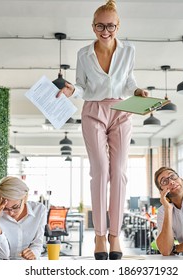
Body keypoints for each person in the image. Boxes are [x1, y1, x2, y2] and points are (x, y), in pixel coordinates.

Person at [56, 0, 148, 260]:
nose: (105, 30)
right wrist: (72, 89)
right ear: (93, 26)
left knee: (118, 172)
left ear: (118, 26)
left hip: (122, 110)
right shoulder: (84, 54)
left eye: (110, 26)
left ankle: (115, 235)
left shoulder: (129, 51)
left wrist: (138, 91)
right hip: (93, 111)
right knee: (100, 170)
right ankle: (99, 236)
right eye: (100, 25)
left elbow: (129, 81)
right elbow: (83, 86)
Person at [0, 176, 47, 260]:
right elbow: (3, 255)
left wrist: (33, 254)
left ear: (25, 198)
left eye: (15, 207)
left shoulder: (39, 210)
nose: (11, 213)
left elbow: (38, 243)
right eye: (5, 208)